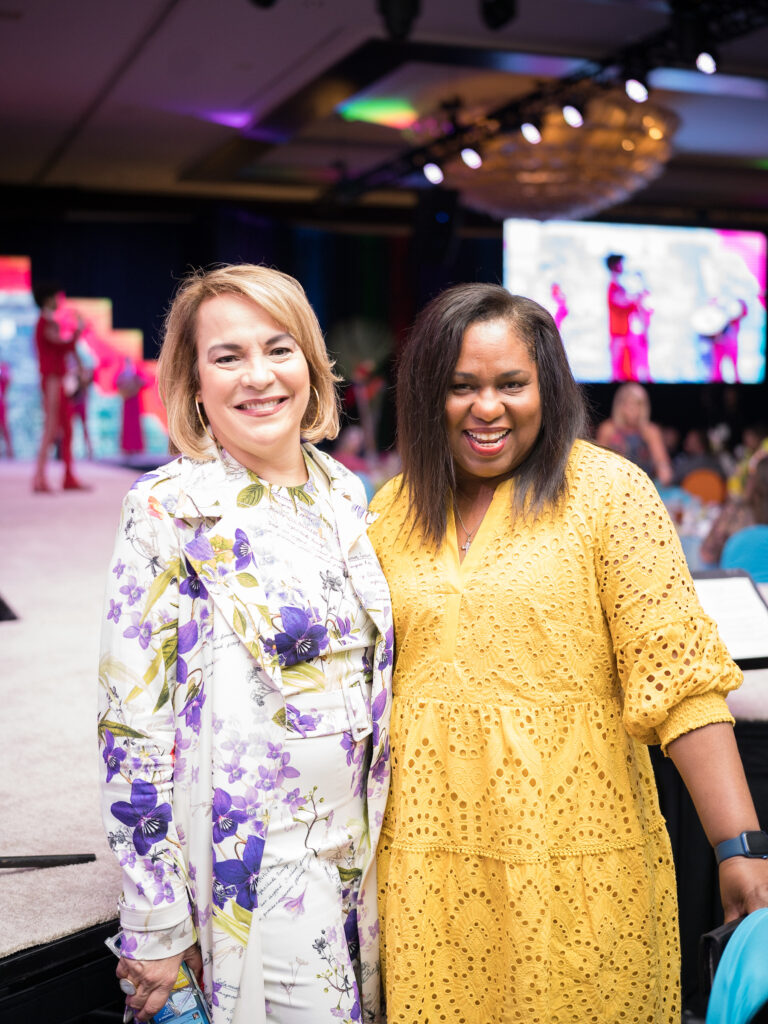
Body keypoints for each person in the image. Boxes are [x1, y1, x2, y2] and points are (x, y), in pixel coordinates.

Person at [367, 283, 768, 1024]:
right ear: (429, 395)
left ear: (546, 387)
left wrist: (739, 847)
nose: (487, 407)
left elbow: (679, 682)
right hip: (429, 872)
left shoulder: (609, 494)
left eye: (510, 384)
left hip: (579, 862)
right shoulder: (390, 512)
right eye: (462, 386)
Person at [98, 264, 393, 1024]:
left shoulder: (344, 492)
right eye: (227, 357)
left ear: (311, 363)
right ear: (194, 381)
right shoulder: (166, 507)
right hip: (258, 865)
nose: (259, 376)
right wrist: (154, 916)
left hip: (362, 857)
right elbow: (130, 722)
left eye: (279, 348)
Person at [31, 283, 88, 492]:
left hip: (58, 380)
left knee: (66, 428)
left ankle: (68, 476)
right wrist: (77, 332)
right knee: (52, 427)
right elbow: (62, 346)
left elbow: (64, 348)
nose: (59, 301)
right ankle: (39, 478)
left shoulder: (48, 322)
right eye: (56, 297)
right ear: (48, 299)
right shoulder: (44, 323)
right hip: (53, 380)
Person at [595, 381, 674, 485]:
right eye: (627, 404)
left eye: (637, 404)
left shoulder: (650, 431)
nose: (632, 409)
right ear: (619, 406)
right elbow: (598, 462)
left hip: (644, 486)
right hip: (614, 485)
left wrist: (663, 469)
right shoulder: (608, 429)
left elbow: (661, 461)